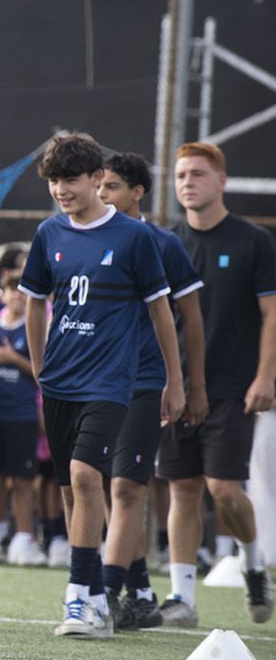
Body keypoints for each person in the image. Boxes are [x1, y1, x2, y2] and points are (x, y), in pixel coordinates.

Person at [20, 133, 184, 639]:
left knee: (87, 477)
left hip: (111, 382)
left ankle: (79, 598)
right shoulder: (48, 233)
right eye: (53, 181)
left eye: (70, 179)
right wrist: (40, 367)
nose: (60, 190)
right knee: (71, 490)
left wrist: (175, 380)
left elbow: (161, 311)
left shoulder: (135, 238)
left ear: (96, 179)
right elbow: (33, 302)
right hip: (59, 382)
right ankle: (95, 596)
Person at [159, 140, 274, 625]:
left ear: (221, 180)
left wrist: (266, 376)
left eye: (198, 174)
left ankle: (254, 564)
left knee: (224, 489)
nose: (188, 183)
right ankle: (182, 597)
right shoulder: (167, 243)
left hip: (232, 387)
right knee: (183, 488)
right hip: (178, 387)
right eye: (181, 175)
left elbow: (272, 315)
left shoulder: (254, 241)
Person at [98, 152, 206, 630]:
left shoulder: (163, 243)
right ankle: (140, 591)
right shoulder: (85, 237)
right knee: (100, 484)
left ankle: (103, 594)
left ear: (137, 192)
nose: (102, 195)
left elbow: (192, 319)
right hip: (95, 381)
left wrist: (187, 383)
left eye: (112, 186)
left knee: (126, 487)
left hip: (145, 380)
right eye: (99, 186)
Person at [0, 270, 43, 566]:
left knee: (22, 481)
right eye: (11, 289)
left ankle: (24, 540)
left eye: (22, 291)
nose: (17, 295)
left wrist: (14, 359)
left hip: (23, 416)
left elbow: (42, 374)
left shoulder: (33, 330)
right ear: (1, 295)